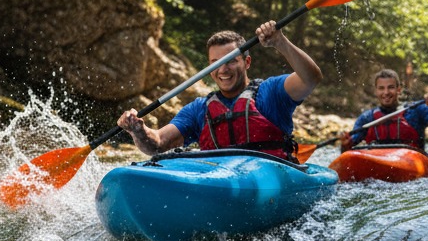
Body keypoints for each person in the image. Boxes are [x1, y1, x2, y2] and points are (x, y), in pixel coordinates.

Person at [116, 22, 322, 161]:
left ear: (247, 62)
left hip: (269, 181)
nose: (223, 70)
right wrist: (137, 129)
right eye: (215, 63)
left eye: (231, 61)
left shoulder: (271, 92)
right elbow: (158, 145)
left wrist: (280, 42)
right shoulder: (198, 110)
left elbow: (310, 78)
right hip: (220, 184)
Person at [341, 68, 428, 151]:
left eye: (391, 87)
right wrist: (345, 143)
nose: (386, 93)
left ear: (399, 90)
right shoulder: (367, 118)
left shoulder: (416, 110)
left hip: (412, 167)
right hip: (379, 167)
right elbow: (347, 149)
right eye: (381, 88)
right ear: (376, 91)